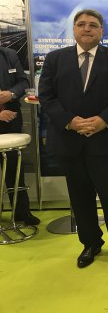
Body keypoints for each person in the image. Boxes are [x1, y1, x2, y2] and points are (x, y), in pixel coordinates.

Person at [38, 9, 108, 268]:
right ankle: (90, 243)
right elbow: (46, 96)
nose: (87, 28)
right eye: (81, 24)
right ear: (74, 30)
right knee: (80, 199)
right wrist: (70, 121)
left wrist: (103, 120)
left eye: (93, 25)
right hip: (71, 142)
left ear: (101, 31)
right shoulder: (55, 59)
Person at [0, 46, 40, 226]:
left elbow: (23, 82)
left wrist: (11, 94)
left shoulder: (9, 55)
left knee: (14, 168)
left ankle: (21, 211)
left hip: (11, 119)